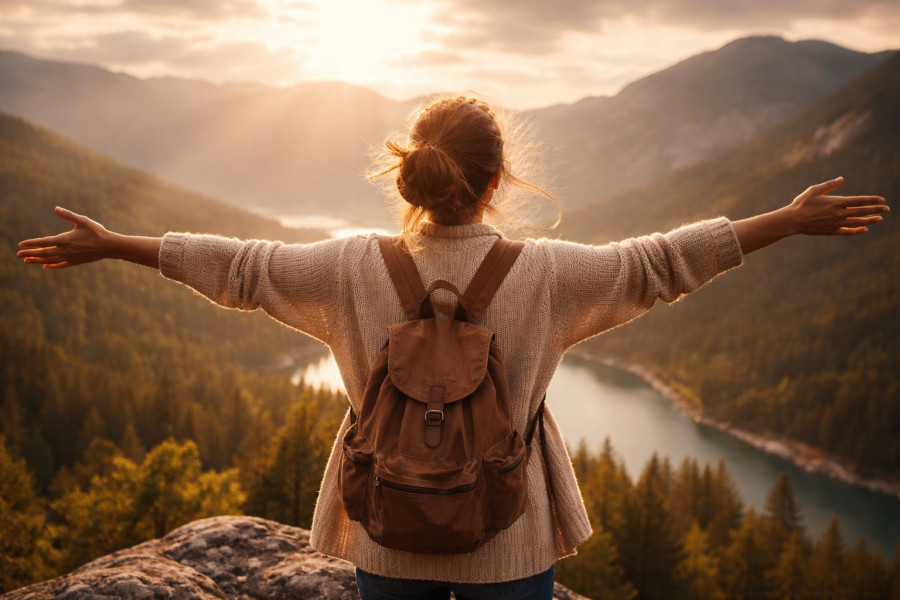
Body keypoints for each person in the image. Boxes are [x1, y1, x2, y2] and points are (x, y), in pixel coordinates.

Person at [17, 96, 888, 600]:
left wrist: (116, 243)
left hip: (387, 527)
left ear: (413, 177)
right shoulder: (547, 274)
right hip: (509, 533)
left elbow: (239, 266)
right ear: (497, 180)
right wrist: (787, 219)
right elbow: (660, 263)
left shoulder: (349, 266)